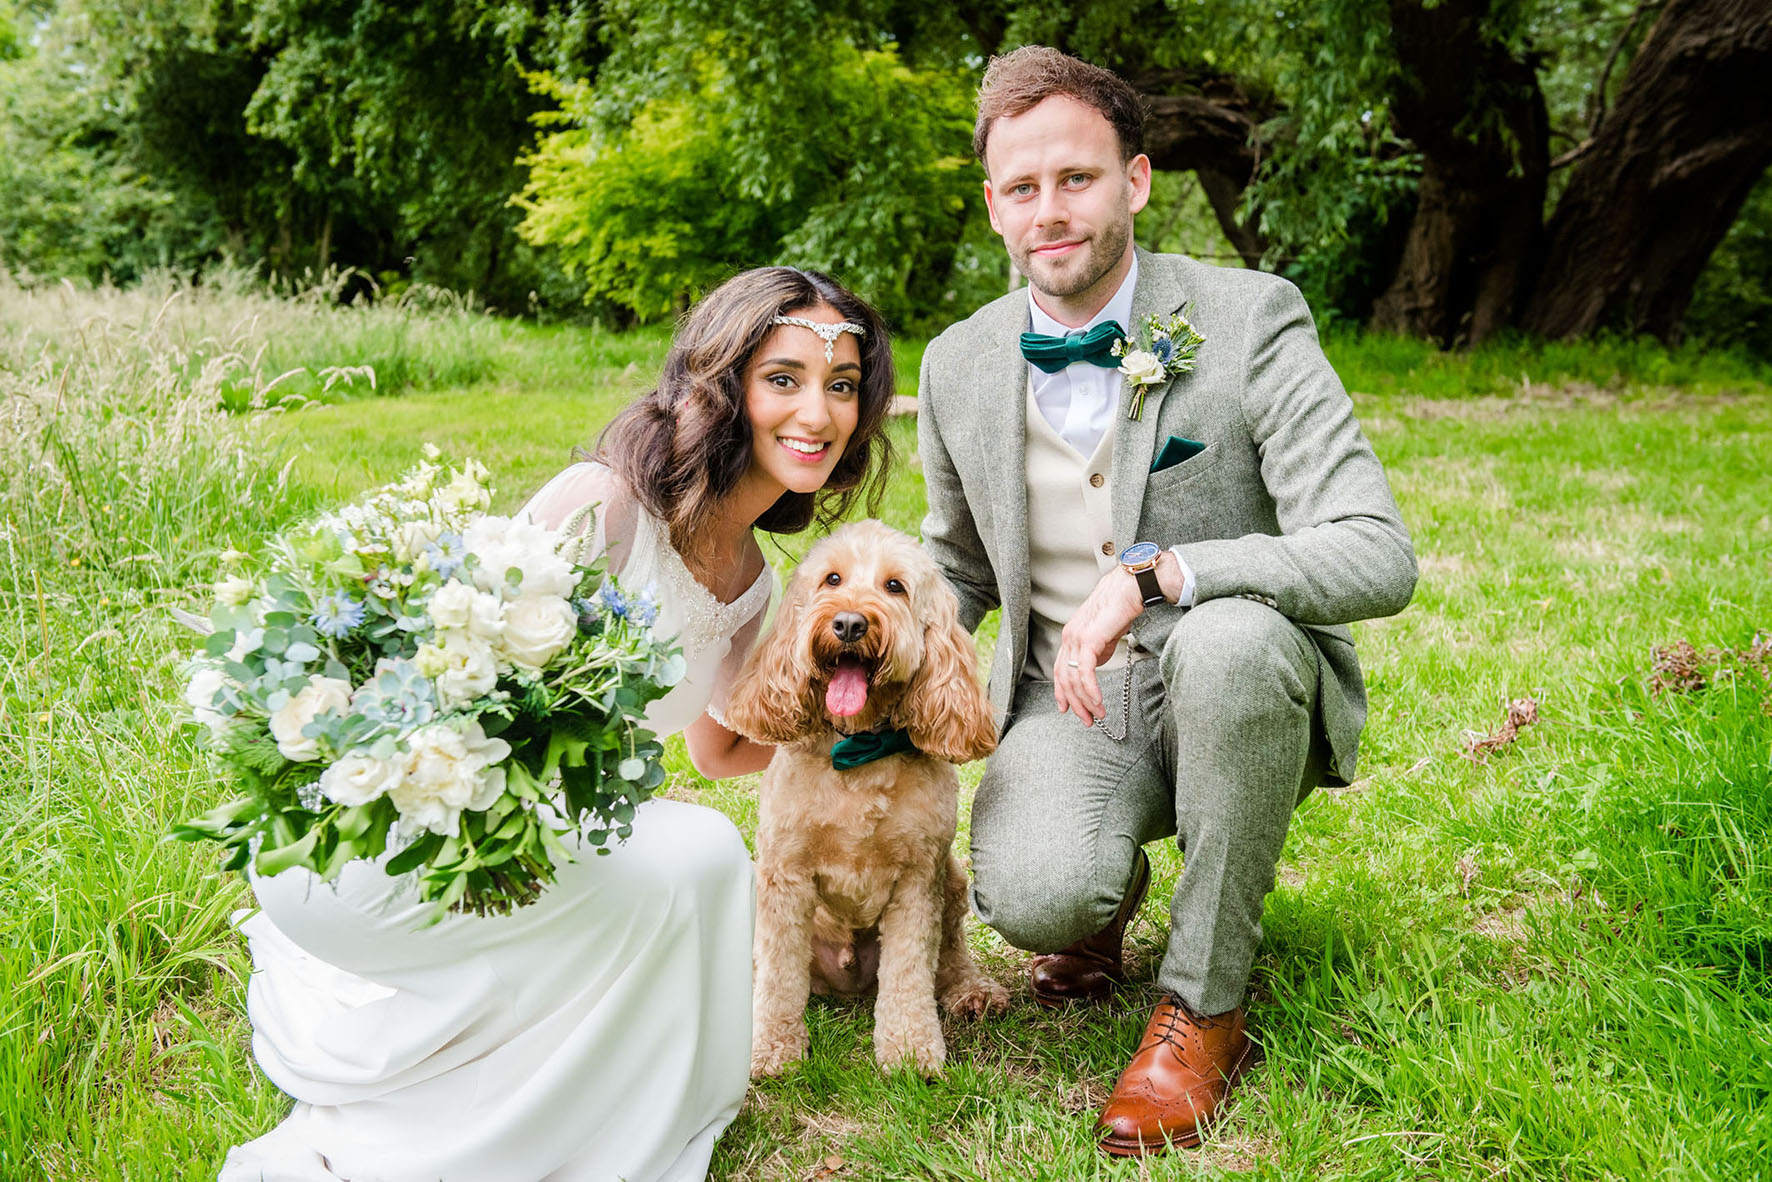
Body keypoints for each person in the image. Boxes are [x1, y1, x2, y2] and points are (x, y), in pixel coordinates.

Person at [221, 267, 895, 1182]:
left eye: (841, 385)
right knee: (695, 852)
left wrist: (854, 701)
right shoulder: (606, 503)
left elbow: (721, 746)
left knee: (700, 855)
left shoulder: (752, 582)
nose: (816, 411)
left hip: (569, 831)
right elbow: (441, 672)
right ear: (723, 384)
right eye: (784, 378)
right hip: (440, 824)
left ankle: (607, 1101)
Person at [917, 47, 1418, 1157]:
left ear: (1136, 181)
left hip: (1229, 681)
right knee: (1035, 895)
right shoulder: (956, 365)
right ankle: (1097, 900)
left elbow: (1374, 552)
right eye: (1020, 188)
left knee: (1231, 645)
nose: (1048, 211)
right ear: (994, 206)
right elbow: (955, 568)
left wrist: (1163, 573)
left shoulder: (1248, 319)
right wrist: (861, 659)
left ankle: (1204, 1005)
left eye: (1075, 179)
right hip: (1066, 697)